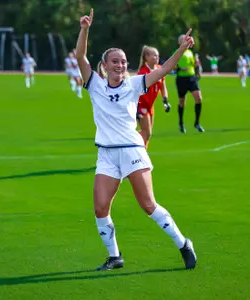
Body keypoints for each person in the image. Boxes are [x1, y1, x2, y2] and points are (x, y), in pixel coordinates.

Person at [75, 8, 197, 271]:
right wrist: (85, 28)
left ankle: (183, 244)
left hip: (131, 149)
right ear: (105, 66)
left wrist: (182, 48)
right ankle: (115, 256)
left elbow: (164, 69)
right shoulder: (94, 84)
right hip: (106, 153)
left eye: (123, 61)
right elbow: (80, 56)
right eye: (114, 61)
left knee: (148, 205)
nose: (120, 65)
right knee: (99, 208)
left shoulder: (134, 84)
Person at [135, 45, 171, 148]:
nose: (157, 57)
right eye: (154, 55)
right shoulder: (143, 72)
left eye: (157, 55)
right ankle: (130, 144)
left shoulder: (160, 69)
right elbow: (136, 91)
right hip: (142, 105)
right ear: (147, 57)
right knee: (147, 132)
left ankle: (141, 153)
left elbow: (163, 87)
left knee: (147, 134)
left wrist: (165, 101)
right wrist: (136, 109)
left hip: (150, 106)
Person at [175, 35, 204, 133]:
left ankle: (197, 123)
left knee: (199, 98)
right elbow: (172, 66)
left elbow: (194, 64)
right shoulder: (177, 52)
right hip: (181, 79)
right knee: (182, 101)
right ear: (180, 42)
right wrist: (180, 69)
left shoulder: (190, 52)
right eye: (184, 40)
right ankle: (181, 123)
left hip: (191, 78)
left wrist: (196, 63)